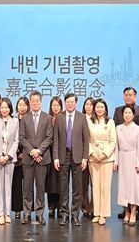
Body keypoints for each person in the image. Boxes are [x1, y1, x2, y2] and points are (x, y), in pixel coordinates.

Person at [53, 92, 90, 227]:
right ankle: (64, 214)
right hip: (63, 156)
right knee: (63, 188)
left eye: (72, 102)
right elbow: (56, 139)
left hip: (78, 157)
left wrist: (85, 158)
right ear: (65, 103)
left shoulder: (82, 117)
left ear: (76, 103)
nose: (69, 104)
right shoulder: (59, 117)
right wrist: (55, 157)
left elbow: (86, 139)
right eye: (67, 102)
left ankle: (75, 215)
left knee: (77, 187)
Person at [20, 91, 53, 225]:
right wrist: (32, 152)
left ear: (41, 101)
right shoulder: (24, 118)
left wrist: (38, 151)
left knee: (40, 188)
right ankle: (27, 213)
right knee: (27, 188)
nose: (34, 103)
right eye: (32, 100)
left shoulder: (47, 118)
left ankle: (39, 214)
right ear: (30, 102)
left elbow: (49, 137)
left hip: (42, 158)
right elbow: (22, 138)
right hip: (28, 159)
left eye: (37, 100)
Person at [0, 97, 20, 225]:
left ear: (10, 108)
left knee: (8, 186)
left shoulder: (15, 121)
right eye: (2, 107)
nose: (4, 110)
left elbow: (16, 141)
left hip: (10, 159)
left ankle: (7, 213)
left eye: (6, 107)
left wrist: (8, 156)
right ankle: (0, 213)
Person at [87, 98, 116, 225]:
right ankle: (97, 213)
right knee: (95, 186)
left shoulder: (110, 122)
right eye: (97, 107)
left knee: (105, 187)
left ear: (105, 109)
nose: (99, 109)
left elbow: (113, 141)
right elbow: (86, 139)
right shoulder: (89, 121)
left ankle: (104, 214)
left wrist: (104, 155)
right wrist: (92, 154)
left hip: (107, 159)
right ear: (94, 109)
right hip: (93, 157)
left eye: (102, 107)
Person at [115, 105, 139, 226]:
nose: (127, 115)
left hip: (133, 159)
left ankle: (133, 212)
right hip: (122, 158)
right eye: (125, 113)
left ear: (133, 115)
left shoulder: (138, 129)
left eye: (129, 113)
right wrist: (116, 162)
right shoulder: (118, 128)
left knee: (135, 187)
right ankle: (126, 212)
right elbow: (116, 146)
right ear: (122, 115)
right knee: (123, 188)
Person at [12, 96, 29, 219]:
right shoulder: (13, 120)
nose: (22, 107)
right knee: (17, 184)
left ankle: (28, 210)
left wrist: (26, 152)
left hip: (28, 157)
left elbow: (33, 138)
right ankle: (17, 209)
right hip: (15, 157)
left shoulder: (30, 119)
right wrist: (16, 152)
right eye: (20, 105)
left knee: (28, 185)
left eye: (24, 105)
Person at [46, 96, 63, 218]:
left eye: (57, 105)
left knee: (61, 182)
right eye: (54, 105)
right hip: (49, 153)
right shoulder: (47, 119)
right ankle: (51, 207)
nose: (55, 108)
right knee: (50, 182)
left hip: (61, 154)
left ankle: (61, 207)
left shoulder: (64, 119)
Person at [80, 97, 94, 218]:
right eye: (86, 104)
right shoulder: (80, 118)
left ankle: (93, 207)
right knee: (83, 184)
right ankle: (84, 207)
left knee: (95, 183)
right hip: (82, 155)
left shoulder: (98, 119)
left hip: (96, 155)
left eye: (91, 104)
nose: (88, 106)